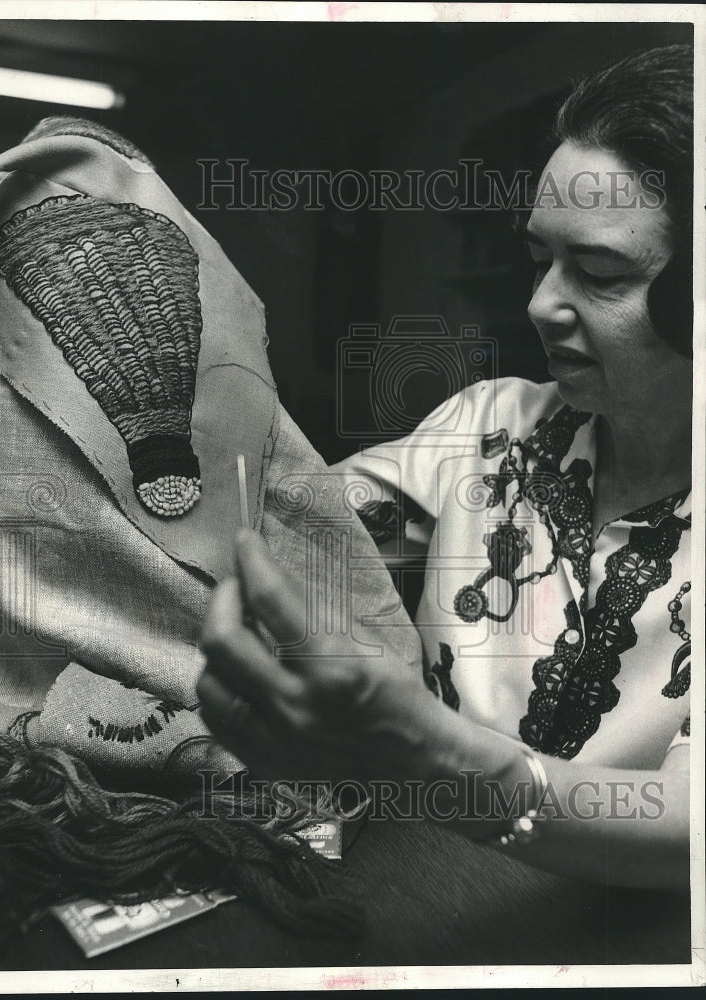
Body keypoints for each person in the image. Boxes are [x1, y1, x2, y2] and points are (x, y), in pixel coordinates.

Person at [196, 44, 695, 889]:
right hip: (413, 888)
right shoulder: (485, 429)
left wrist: (427, 754)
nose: (539, 303)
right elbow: (301, 529)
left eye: (600, 273)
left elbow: (690, 826)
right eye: (539, 258)